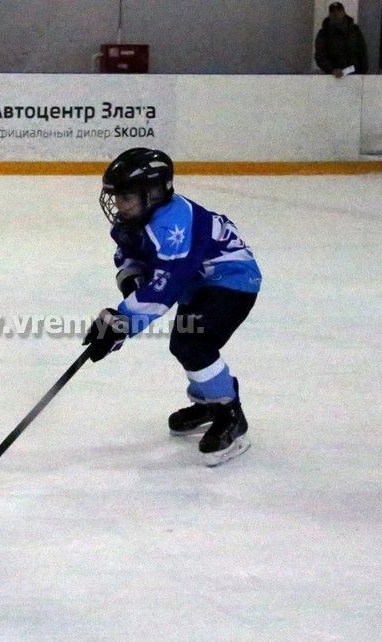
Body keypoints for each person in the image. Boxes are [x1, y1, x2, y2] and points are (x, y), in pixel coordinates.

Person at [82, 148, 262, 466]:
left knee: (193, 342)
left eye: (127, 197)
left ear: (152, 193)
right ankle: (209, 403)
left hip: (232, 281)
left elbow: (164, 289)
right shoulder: (135, 218)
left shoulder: (172, 227)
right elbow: (130, 257)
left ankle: (230, 414)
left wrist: (122, 323)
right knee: (185, 344)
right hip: (198, 283)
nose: (119, 205)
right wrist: (130, 288)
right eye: (117, 196)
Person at [315, 1, 368, 78]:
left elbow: (362, 51)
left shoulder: (354, 31)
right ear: (329, 14)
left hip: (355, 76)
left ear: (343, 12)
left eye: (339, 11)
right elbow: (320, 56)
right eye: (333, 12)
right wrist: (332, 70)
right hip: (332, 78)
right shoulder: (323, 33)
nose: (336, 14)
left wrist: (362, 72)